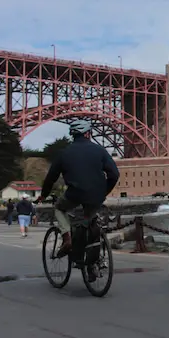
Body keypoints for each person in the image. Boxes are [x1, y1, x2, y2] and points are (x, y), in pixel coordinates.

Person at [36, 119, 120, 280]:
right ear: (88, 134)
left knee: (60, 208)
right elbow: (114, 175)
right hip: (96, 196)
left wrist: (44, 195)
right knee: (90, 221)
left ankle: (67, 237)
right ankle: (91, 266)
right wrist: (104, 191)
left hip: (74, 194)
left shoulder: (64, 153)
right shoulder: (100, 150)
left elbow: (50, 178)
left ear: (73, 135)